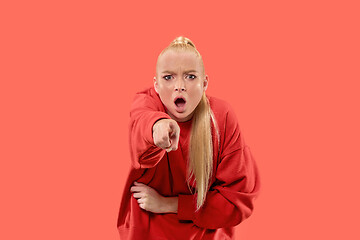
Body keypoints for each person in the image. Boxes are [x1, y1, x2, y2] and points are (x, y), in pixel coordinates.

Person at [117, 36, 260, 240]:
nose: (179, 86)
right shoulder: (146, 102)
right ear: (156, 85)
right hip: (150, 232)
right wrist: (157, 128)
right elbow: (142, 123)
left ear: (205, 83)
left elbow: (238, 201)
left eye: (190, 77)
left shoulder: (222, 116)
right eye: (169, 77)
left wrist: (169, 204)